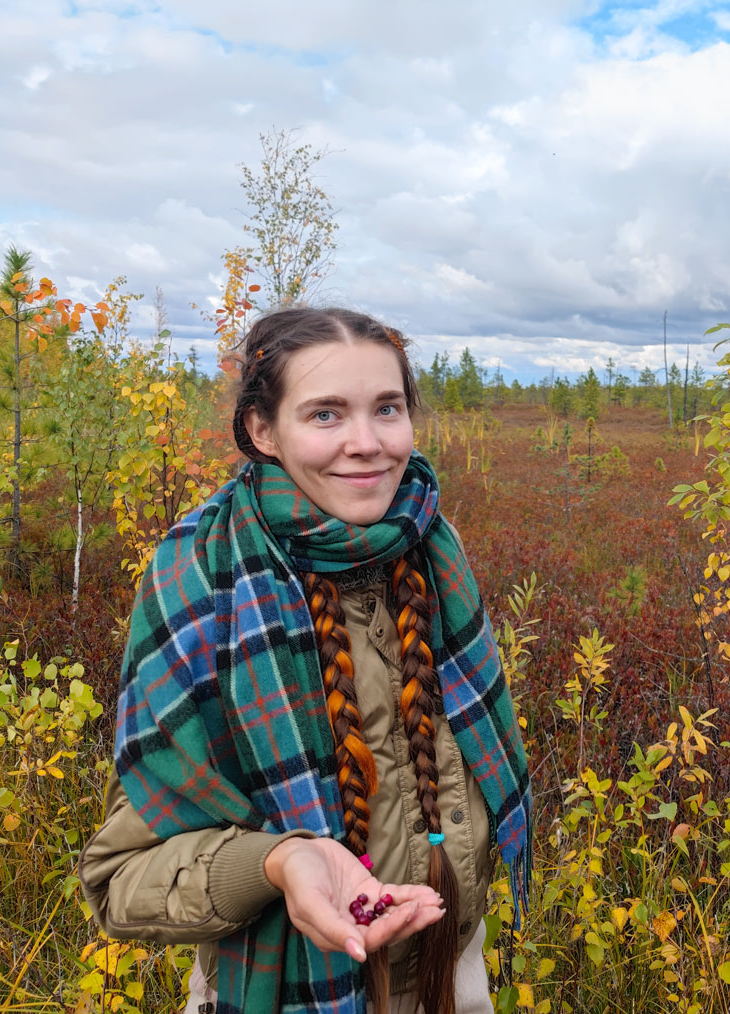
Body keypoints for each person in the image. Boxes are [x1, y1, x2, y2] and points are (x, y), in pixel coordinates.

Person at [80, 307, 532, 1014]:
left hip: (453, 981)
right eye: (325, 414)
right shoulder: (203, 583)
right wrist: (279, 862)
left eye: (387, 408)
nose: (367, 443)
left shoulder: (436, 556)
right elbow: (121, 881)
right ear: (262, 430)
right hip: (286, 991)